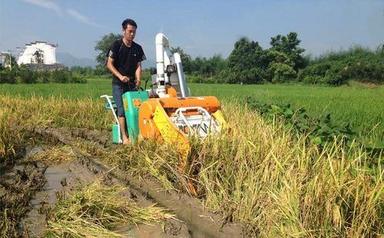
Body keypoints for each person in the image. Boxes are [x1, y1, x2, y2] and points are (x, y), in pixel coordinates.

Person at [106, 18, 146, 144]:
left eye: (134, 32)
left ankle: (138, 134)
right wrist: (120, 76)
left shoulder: (138, 48)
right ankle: (124, 137)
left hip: (132, 83)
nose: (132, 34)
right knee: (122, 110)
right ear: (123, 30)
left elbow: (138, 66)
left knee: (137, 109)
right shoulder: (116, 45)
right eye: (130, 31)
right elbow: (109, 64)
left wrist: (138, 79)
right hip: (119, 84)